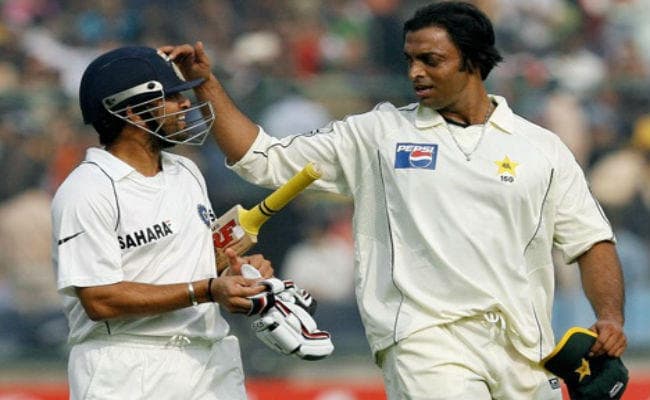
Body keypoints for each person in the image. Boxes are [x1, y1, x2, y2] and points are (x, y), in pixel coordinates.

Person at [162, 2, 627, 399]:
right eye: (409, 60)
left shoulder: (541, 147)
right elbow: (261, 159)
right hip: (425, 342)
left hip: (526, 349)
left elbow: (590, 240)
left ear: (473, 61)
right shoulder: (378, 133)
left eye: (430, 60)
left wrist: (609, 318)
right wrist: (206, 83)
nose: (414, 72)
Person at [51, 45, 273, 400]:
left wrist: (236, 273)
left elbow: (191, 263)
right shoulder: (87, 189)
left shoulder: (186, 170)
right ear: (132, 112)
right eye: (171, 97)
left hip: (209, 358)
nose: (186, 105)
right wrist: (207, 290)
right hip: (128, 365)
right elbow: (99, 299)